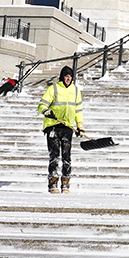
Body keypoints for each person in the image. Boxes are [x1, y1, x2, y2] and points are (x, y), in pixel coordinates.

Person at [39, 64, 83, 194]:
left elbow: (78, 110)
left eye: (70, 76)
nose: (68, 78)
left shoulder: (75, 91)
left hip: (67, 128)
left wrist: (80, 126)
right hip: (53, 126)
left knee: (66, 156)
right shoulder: (54, 89)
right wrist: (46, 111)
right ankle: (52, 183)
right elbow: (42, 104)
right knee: (54, 156)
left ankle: (66, 183)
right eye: (66, 76)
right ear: (62, 77)